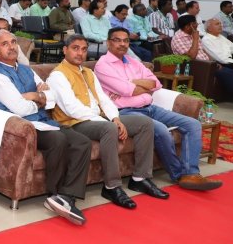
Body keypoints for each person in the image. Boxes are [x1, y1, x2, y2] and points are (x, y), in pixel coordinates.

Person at [94, 27, 222, 191]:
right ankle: (179, 175)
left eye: (126, 40)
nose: (122, 44)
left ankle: (191, 173)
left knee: (193, 124)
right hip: (126, 112)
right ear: (108, 42)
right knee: (161, 130)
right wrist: (137, 84)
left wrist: (132, 82)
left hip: (150, 107)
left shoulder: (133, 61)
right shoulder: (103, 65)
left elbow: (156, 83)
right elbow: (127, 90)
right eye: (117, 40)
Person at [47, 34, 166, 209]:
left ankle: (140, 178)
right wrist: (110, 123)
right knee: (108, 128)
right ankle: (112, 186)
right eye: (75, 48)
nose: (80, 53)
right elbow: (71, 109)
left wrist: (115, 118)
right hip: (74, 123)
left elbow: (104, 99)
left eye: (84, 49)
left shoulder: (88, 72)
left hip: (99, 118)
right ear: (65, 50)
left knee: (144, 123)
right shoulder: (58, 75)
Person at [0, 30, 91, 225]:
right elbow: (19, 109)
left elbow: (52, 97)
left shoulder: (26, 68)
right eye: (4, 44)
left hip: (45, 121)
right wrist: (39, 96)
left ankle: (66, 196)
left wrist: (35, 96)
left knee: (82, 142)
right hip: (23, 128)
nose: (11, 47)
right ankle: (55, 192)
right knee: (58, 140)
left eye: (13, 42)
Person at [172, 15, 233, 92]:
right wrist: (195, 39)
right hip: (195, 66)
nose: (197, 24)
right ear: (187, 26)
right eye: (194, 23)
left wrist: (214, 63)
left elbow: (204, 51)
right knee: (228, 74)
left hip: (208, 64)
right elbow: (192, 56)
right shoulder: (178, 38)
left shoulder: (193, 34)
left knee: (229, 71)